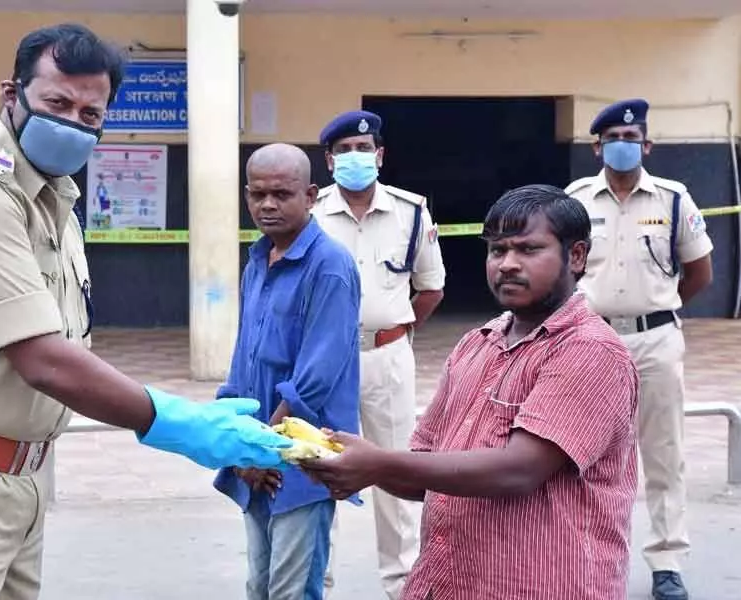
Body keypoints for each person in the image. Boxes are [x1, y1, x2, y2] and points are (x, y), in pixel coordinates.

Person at [0, 23, 291, 600]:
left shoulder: (55, 198)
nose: (73, 122)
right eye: (57, 102)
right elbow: (43, 360)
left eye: (91, 113)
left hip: (15, 479)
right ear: (12, 94)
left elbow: (70, 343)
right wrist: (175, 420)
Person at [303, 185, 640, 600]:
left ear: (576, 256)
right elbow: (423, 476)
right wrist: (349, 462)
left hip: (542, 585)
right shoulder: (476, 345)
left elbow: (519, 470)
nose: (508, 264)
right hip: (451, 583)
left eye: (528, 250)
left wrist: (376, 464)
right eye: (497, 251)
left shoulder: (589, 350)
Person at [565, 99, 714, 600]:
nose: (623, 147)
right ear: (596, 147)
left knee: (663, 450)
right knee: (581, 450)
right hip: (592, 340)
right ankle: (583, 555)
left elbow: (700, 272)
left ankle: (667, 562)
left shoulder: (674, 199)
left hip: (655, 340)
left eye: (632, 139)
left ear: (647, 146)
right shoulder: (577, 200)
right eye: (613, 139)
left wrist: (658, 313)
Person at [213, 143, 361, 600]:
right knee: (259, 587)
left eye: (282, 193)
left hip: (297, 461)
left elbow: (316, 378)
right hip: (254, 458)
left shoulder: (330, 265)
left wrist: (262, 450)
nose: (268, 205)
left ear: (311, 195)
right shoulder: (258, 261)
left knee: (292, 592)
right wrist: (238, 445)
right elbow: (244, 362)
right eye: (257, 195)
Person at [310, 110, 445, 599]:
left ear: (380, 156)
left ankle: (403, 585)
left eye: (363, 149)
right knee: (320, 468)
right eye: (343, 151)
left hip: (388, 357)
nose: (354, 158)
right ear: (328, 160)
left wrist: (394, 333)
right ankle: (315, 584)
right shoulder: (312, 213)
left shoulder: (411, 212)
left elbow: (430, 288)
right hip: (325, 361)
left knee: (395, 469)